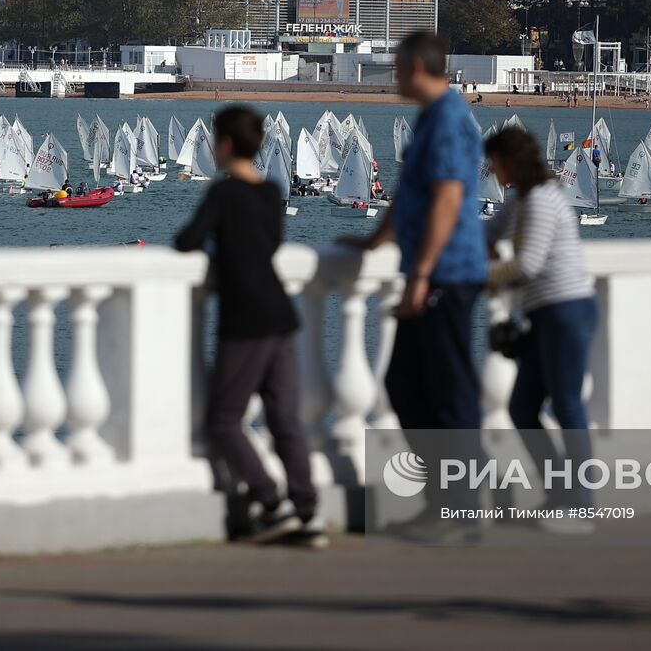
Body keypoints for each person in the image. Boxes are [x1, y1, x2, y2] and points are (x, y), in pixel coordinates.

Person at [341, 32, 487, 526]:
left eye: (398, 69)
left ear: (418, 68)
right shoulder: (433, 117)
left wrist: (421, 273)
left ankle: (460, 505)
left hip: (447, 271)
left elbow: (446, 199)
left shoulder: (446, 117)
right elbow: (410, 195)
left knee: (444, 389)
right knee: (408, 383)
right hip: (434, 270)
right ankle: (452, 497)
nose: (394, 79)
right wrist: (375, 241)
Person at [175, 106, 322, 547]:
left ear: (223, 145)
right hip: (281, 314)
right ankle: (308, 513)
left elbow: (187, 241)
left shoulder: (224, 193)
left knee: (223, 421)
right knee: (285, 420)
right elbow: (270, 242)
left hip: (245, 318)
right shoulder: (271, 191)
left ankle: (269, 500)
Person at [483, 128, 597, 506]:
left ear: (508, 162)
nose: (492, 171)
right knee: (522, 406)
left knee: (566, 402)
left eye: (494, 163)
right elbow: (490, 232)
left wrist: (484, 277)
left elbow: (528, 265)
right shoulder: (523, 199)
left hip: (565, 311)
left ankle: (580, 498)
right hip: (546, 314)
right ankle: (560, 491)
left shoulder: (541, 201)